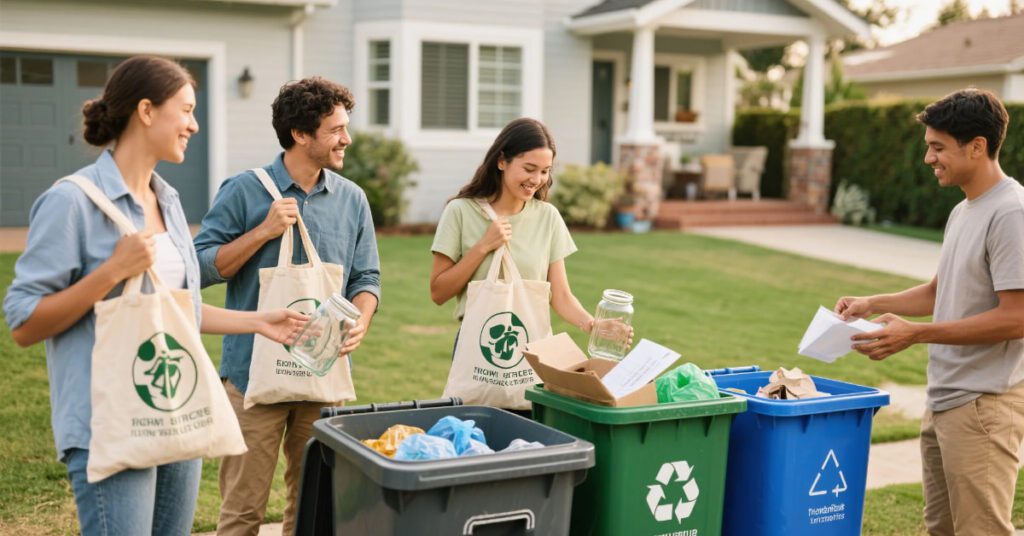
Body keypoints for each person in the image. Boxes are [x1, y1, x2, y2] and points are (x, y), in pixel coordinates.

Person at [2, 56, 305, 536]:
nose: (194, 124)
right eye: (185, 110)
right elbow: (23, 324)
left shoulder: (167, 201)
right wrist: (111, 272)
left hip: (175, 411)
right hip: (111, 423)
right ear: (146, 110)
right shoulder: (71, 202)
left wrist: (260, 321)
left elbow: (175, 310)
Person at [192, 76, 380, 536]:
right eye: (336, 130)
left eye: (345, 128)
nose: (347, 139)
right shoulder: (243, 191)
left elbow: (366, 278)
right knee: (242, 513)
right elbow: (197, 268)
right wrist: (262, 232)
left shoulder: (351, 199)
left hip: (321, 376)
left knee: (315, 510)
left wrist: (362, 319)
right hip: (252, 377)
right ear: (300, 134)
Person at [834, 88, 1023, 536]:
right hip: (945, 398)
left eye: (937, 147)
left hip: (984, 404)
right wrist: (872, 303)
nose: (928, 158)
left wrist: (914, 335)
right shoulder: (964, 210)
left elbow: (1016, 317)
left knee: (981, 530)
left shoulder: (1012, 213)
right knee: (940, 527)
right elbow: (942, 291)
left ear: (977, 147)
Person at [429, 118, 602, 413]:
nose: (537, 179)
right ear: (501, 161)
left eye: (545, 172)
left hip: (535, 353)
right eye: (529, 169)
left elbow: (560, 296)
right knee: (479, 436)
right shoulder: (460, 211)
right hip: (478, 348)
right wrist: (484, 246)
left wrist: (594, 326)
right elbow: (438, 292)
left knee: (530, 443)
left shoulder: (547, 217)